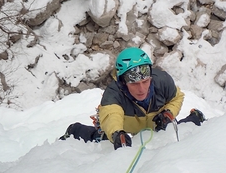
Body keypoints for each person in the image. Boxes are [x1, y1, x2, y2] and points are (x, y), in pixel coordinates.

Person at [59, 47, 206, 149]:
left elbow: (177, 98)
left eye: (145, 81)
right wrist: (117, 133)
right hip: (126, 128)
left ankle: (195, 117)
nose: (142, 89)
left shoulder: (162, 82)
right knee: (103, 140)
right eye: (134, 84)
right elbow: (111, 115)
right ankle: (75, 130)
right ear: (123, 82)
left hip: (155, 123)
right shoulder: (113, 94)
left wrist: (168, 113)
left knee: (172, 128)